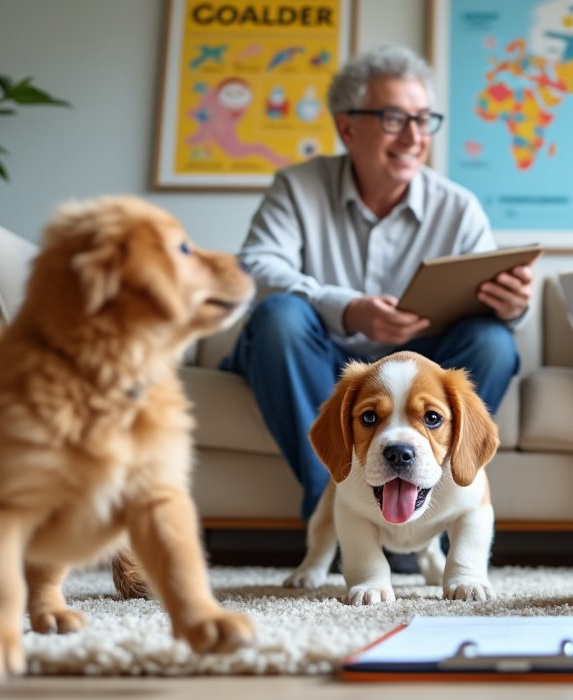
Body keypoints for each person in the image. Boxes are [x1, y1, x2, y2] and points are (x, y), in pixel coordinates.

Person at [223, 45, 533, 522]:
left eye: (424, 119)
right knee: (279, 317)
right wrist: (347, 309)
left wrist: (509, 305)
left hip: (421, 371)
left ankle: (426, 511)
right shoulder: (297, 186)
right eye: (394, 118)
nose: (414, 136)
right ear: (346, 127)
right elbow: (255, 271)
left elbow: (489, 311)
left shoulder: (459, 207)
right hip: (316, 360)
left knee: (493, 341)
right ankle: (334, 510)